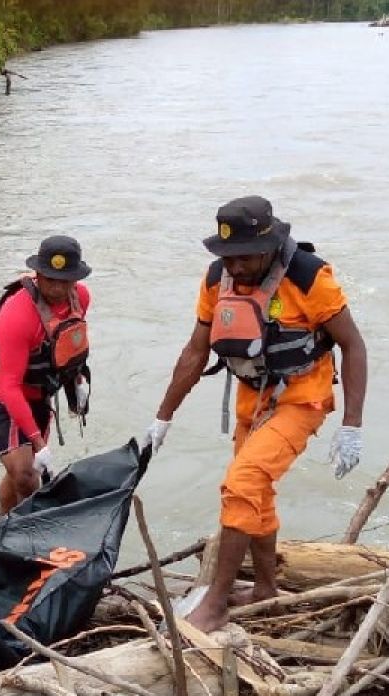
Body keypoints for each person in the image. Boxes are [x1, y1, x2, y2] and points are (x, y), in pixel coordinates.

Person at [144, 196, 367, 633]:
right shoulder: (218, 279)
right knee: (256, 490)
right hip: (252, 398)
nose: (236, 266)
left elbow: (353, 345)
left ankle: (215, 603)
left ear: (268, 247)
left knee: (242, 482)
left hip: (303, 396)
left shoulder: (308, 277)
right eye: (228, 256)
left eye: (245, 256)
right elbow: (195, 352)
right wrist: (162, 419)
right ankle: (266, 588)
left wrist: (352, 426)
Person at [0, 235, 92, 514]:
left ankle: (2, 524)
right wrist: (38, 444)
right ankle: (28, 535)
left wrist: (77, 379)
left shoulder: (81, 298)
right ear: (38, 275)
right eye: (50, 279)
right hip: (1, 392)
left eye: (65, 280)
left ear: (75, 279)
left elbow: (70, 342)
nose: (57, 287)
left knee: (19, 472)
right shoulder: (18, 316)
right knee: (27, 474)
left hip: (40, 391)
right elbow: (9, 387)